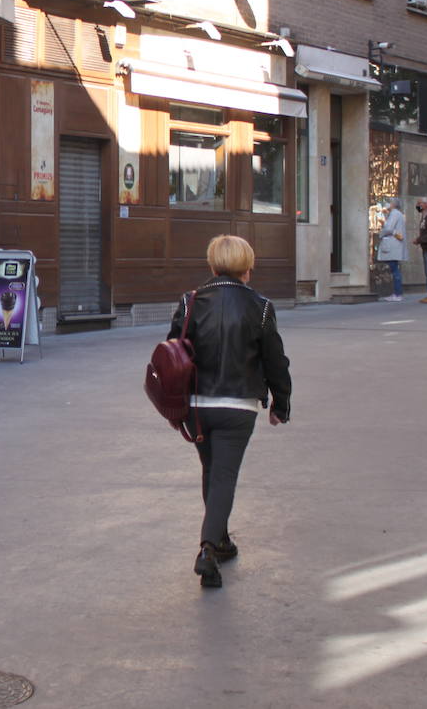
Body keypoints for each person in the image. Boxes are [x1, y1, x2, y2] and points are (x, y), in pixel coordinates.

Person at [167, 235, 292, 589]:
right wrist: (280, 403)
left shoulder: (190, 302)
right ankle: (208, 548)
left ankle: (220, 540)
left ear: (212, 264)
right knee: (223, 474)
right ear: (247, 267)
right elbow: (275, 360)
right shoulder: (261, 306)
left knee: (213, 470)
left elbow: (173, 351)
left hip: (197, 405)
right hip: (238, 406)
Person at [377, 198, 407, 301]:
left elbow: (389, 228)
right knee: (395, 269)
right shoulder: (397, 214)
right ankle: (397, 293)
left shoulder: (394, 214)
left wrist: (381, 232)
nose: (387, 204)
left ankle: (397, 294)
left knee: (394, 270)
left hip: (393, 245)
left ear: (393, 204)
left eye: (389, 202)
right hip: (395, 244)